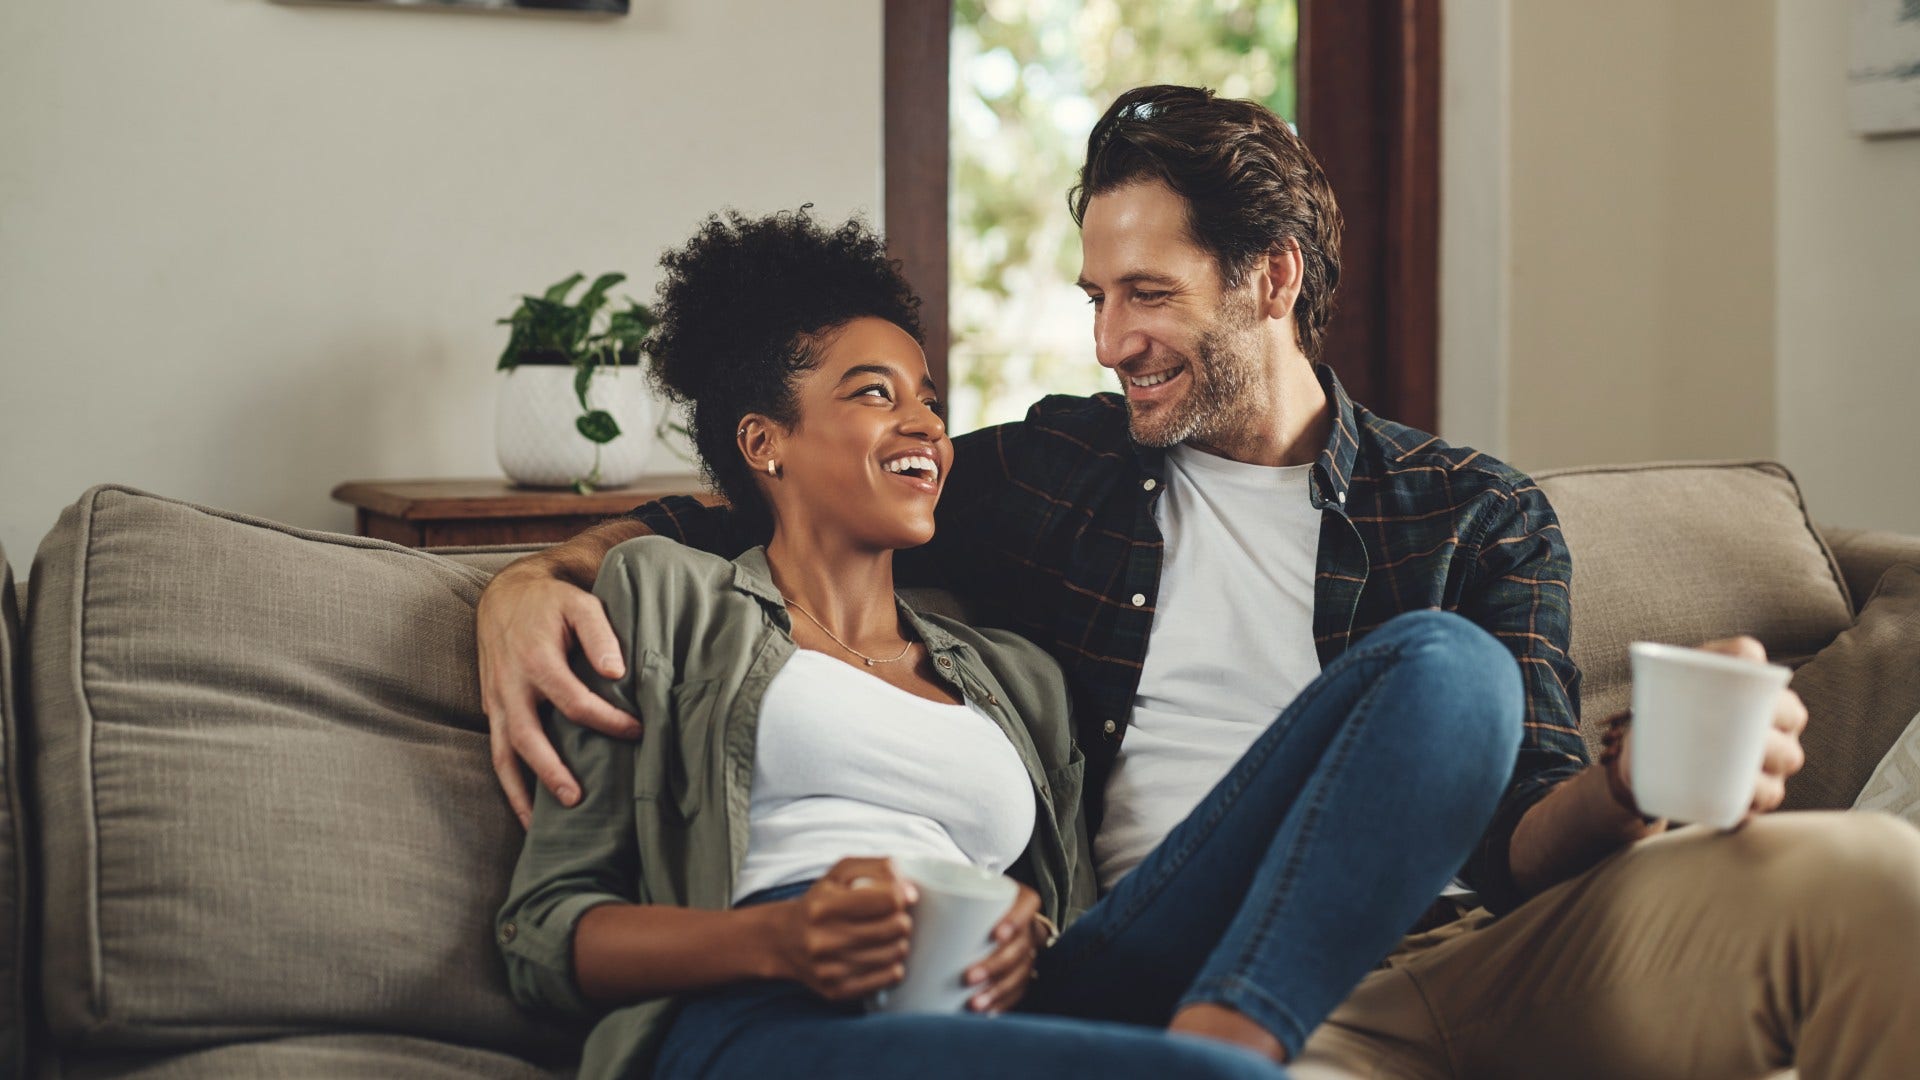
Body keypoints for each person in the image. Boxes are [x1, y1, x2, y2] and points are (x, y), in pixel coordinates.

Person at [484, 88, 1920, 1078]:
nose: (1109, 340)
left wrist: (1641, 777)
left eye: (1147, 295)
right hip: (1174, 969)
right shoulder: (1053, 473)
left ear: (1270, 280)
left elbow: (1534, 831)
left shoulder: (1470, 511)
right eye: (1096, 297)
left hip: (1479, 945)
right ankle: (1233, 1044)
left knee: (1859, 873)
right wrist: (535, 578)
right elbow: (764, 495)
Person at [496, 208, 1523, 1080]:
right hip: (764, 1023)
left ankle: (1234, 1032)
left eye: (930, 398)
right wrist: (776, 940)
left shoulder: (1010, 675)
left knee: (1449, 667)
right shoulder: (662, 602)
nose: (927, 427)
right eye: (874, 394)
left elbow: (1062, 913)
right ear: (764, 440)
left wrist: (1027, 931)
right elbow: (544, 934)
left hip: (1016, 1013)